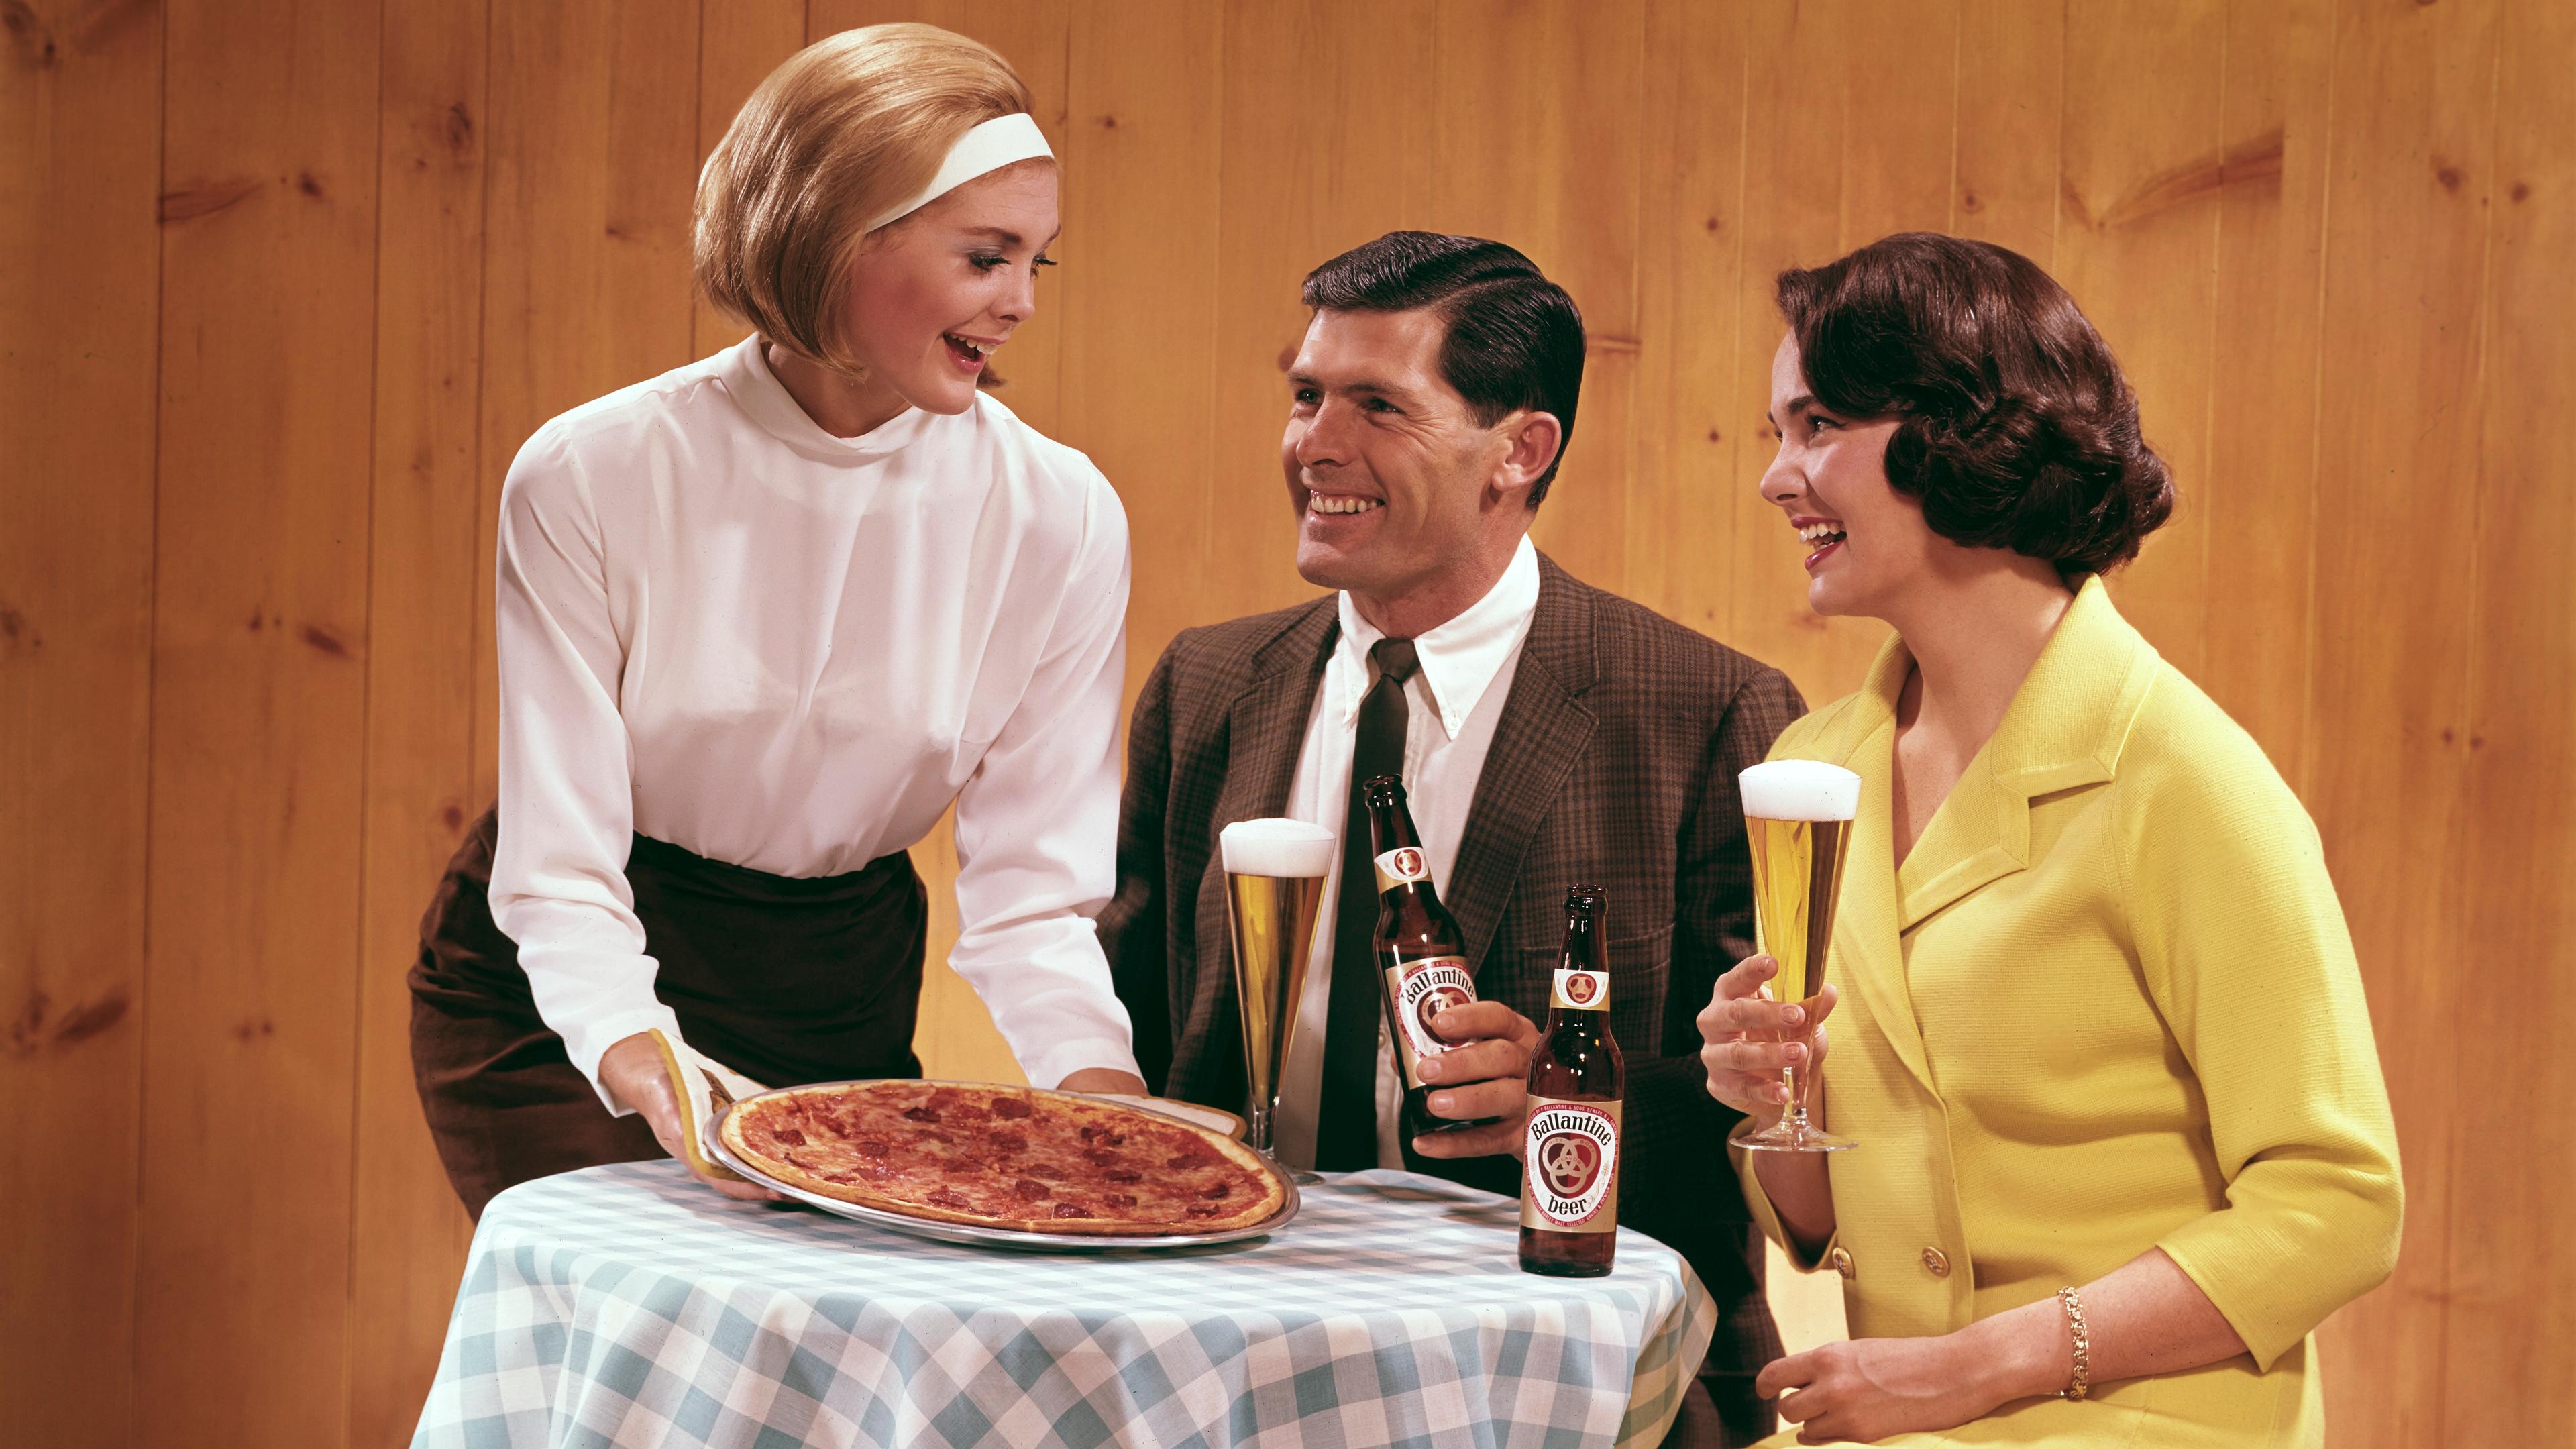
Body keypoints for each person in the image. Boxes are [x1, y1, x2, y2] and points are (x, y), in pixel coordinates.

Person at [409, 23, 1146, 1220]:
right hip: (557, 995)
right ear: (837, 233)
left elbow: (1029, 898)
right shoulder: (591, 471)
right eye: (984, 257)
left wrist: (1111, 1106)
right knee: (643, 1360)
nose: (1018, 303)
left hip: (838, 987)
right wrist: (646, 1062)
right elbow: (558, 875)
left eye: (1036, 265)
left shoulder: (1060, 515)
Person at [1099, 231, 1803, 1446]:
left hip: (1562, 1374)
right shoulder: (1204, 684)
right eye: (1307, 394)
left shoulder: (1707, 712)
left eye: (1379, 405)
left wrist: (1572, 1105)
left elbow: (1768, 1100)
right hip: (1217, 1361)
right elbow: (1130, 1024)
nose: (1317, 443)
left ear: (1519, 452)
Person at [1698, 232, 2402, 1446]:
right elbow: (1812, 1221)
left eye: (1814, 426)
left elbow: (2337, 1205)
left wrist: (1976, 1367)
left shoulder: (2187, 781)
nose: (1776, 477)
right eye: (1776, 434)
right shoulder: (1813, 774)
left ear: (1956, 434)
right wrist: (1766, 1100)